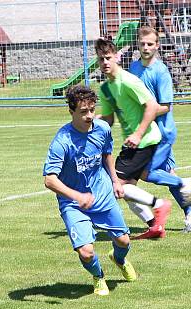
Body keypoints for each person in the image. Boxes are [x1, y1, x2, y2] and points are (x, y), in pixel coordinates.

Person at [43, 84, 138, 296]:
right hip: (73, 202)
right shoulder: (62, 141)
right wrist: (76, 196)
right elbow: (49, 180)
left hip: (102, 194)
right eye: (83, 112)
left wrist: (115, 181)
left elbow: (106, 154)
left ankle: (119, 260)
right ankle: (98, 276)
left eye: (92, 110)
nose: (89, 116)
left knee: (123, 241)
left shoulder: (102, 129)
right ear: (71, 112)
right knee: (86, 252)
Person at [95, 37, 191, 240]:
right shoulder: (106, 89)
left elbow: (151, 106)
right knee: (126, 190)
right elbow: (108, 118)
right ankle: (154, 226)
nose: (104, 62)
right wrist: (91, 120)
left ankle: (160, 203)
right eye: (100, 59)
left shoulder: (129, 80)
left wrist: (138, 133)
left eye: (107, 57)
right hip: (132, 143)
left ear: (116, 58)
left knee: (118, 184)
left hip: (145, 140)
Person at [129, 26, 191, 233]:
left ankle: (183, 182)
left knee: (147, 172)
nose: (146, 47)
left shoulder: (161, 71)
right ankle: (190, 212)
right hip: (149, 132)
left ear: (157, 46)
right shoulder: (134, 68)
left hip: (162, 132)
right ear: (138, 44)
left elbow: (166, 107)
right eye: (142, 44)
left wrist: (146, 114)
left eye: (150, 44)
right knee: (166, 173)